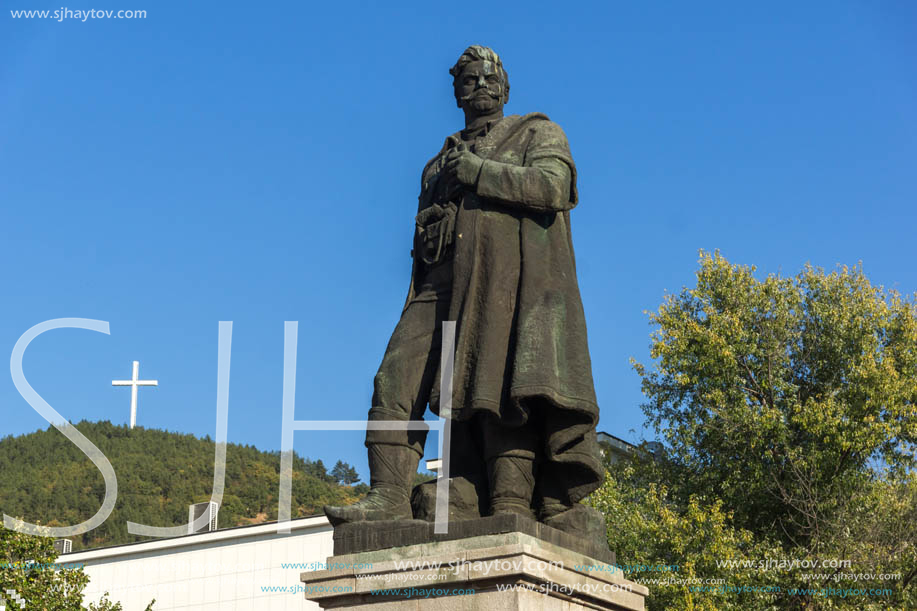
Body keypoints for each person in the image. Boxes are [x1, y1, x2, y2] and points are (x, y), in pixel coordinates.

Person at [324, 46, 603, 535]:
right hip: (439, 286)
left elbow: (553, 189)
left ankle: (508, 498)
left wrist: (479, 173)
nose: (480, 86)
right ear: (456, 93)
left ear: (506, 86)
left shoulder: (536, 132)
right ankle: (388, 495)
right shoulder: (437, 163)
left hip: (505, 285)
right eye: (469, 80)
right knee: (394, 379)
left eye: (488, 78)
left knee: (496, 387)